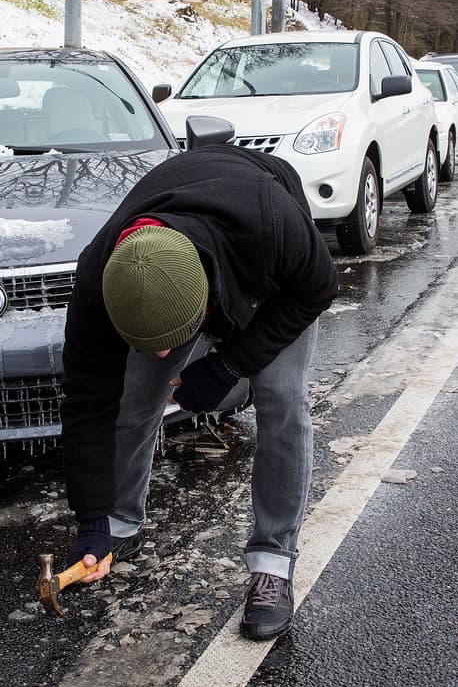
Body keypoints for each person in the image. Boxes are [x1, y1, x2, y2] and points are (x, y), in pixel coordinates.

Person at [60, 142, 338, 640]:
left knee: (281, 398)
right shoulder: (99, 279)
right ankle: (120, 522)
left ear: (207, 296)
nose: (168, 355)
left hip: (272, 278)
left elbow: (317, 290)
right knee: (133, 393)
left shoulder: (274, 225)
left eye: (177, 341)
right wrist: (90, 521)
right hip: (180, 257)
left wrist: (230, 363)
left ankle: (273, 561)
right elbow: (87, 403)